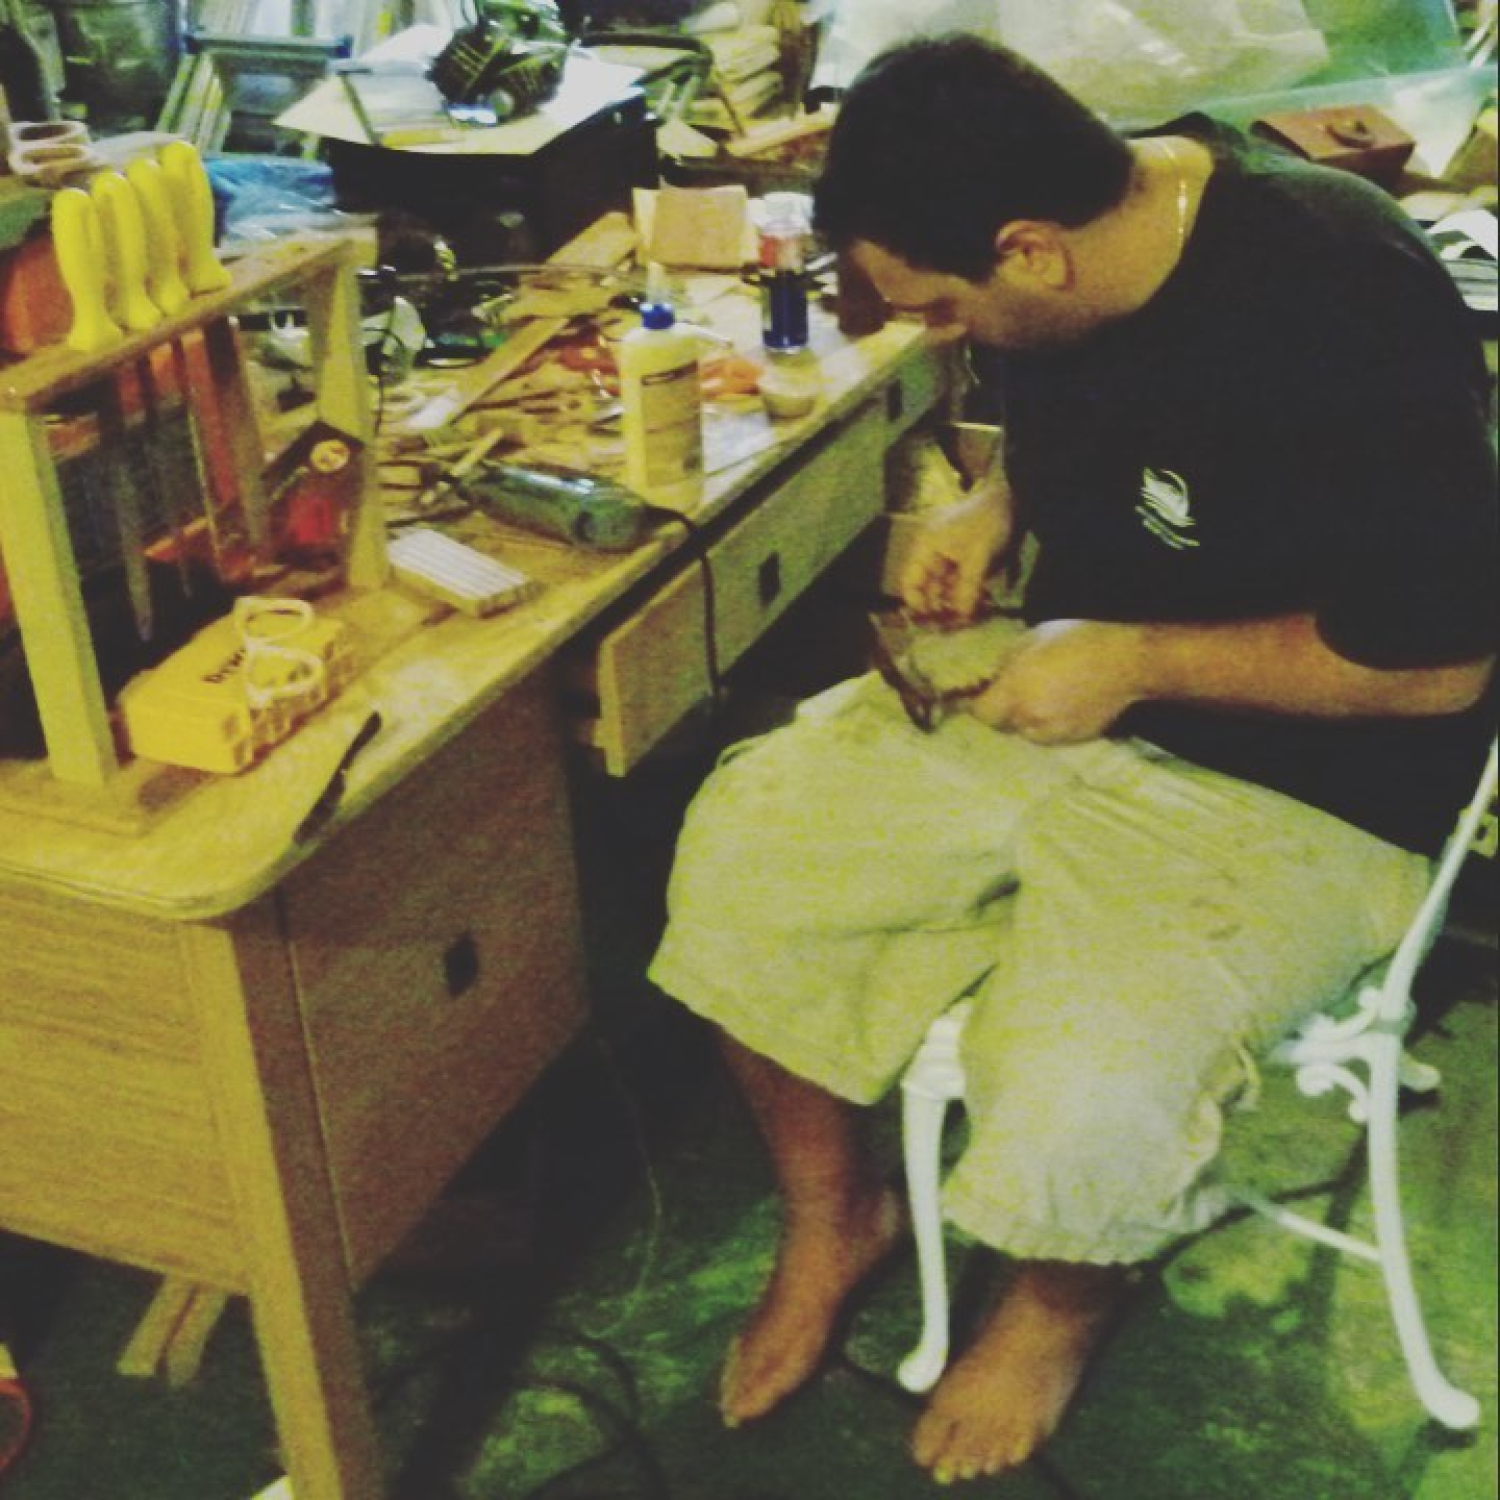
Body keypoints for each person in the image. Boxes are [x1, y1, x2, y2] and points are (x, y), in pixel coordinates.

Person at [649, 34, 1497, 1484]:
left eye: (938, 303)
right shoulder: (1081, 254)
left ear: (1029, 252)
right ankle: (833, 1215)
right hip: (1068, 683)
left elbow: (1438, 665)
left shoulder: (1338, 292)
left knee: (1086, 1092)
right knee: (745, 852)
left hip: (1310, 773)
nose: (932, 332)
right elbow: (1071, 419)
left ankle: (1059, 1303)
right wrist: (993, 502)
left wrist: (1139, 660)